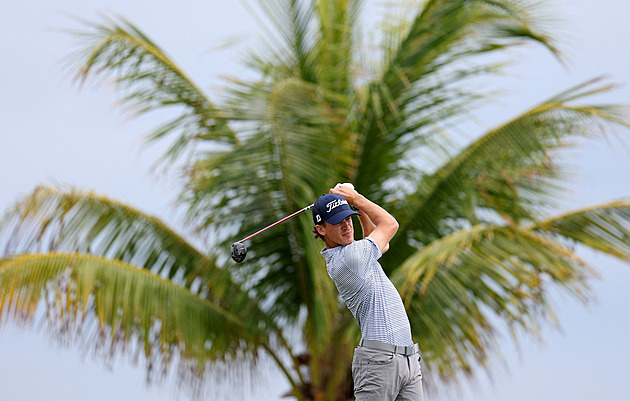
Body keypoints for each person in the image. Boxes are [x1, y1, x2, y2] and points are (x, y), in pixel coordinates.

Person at [312, 184, 424, 401]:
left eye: (348, 218)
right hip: (379, 362)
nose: (346, 226)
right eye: (337, 222)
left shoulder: (356, 253)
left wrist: (355, 207)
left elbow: (379, 242)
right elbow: (390, 224)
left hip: (408, 360)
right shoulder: (349, 258)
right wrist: (356, 198)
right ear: (321, 229)